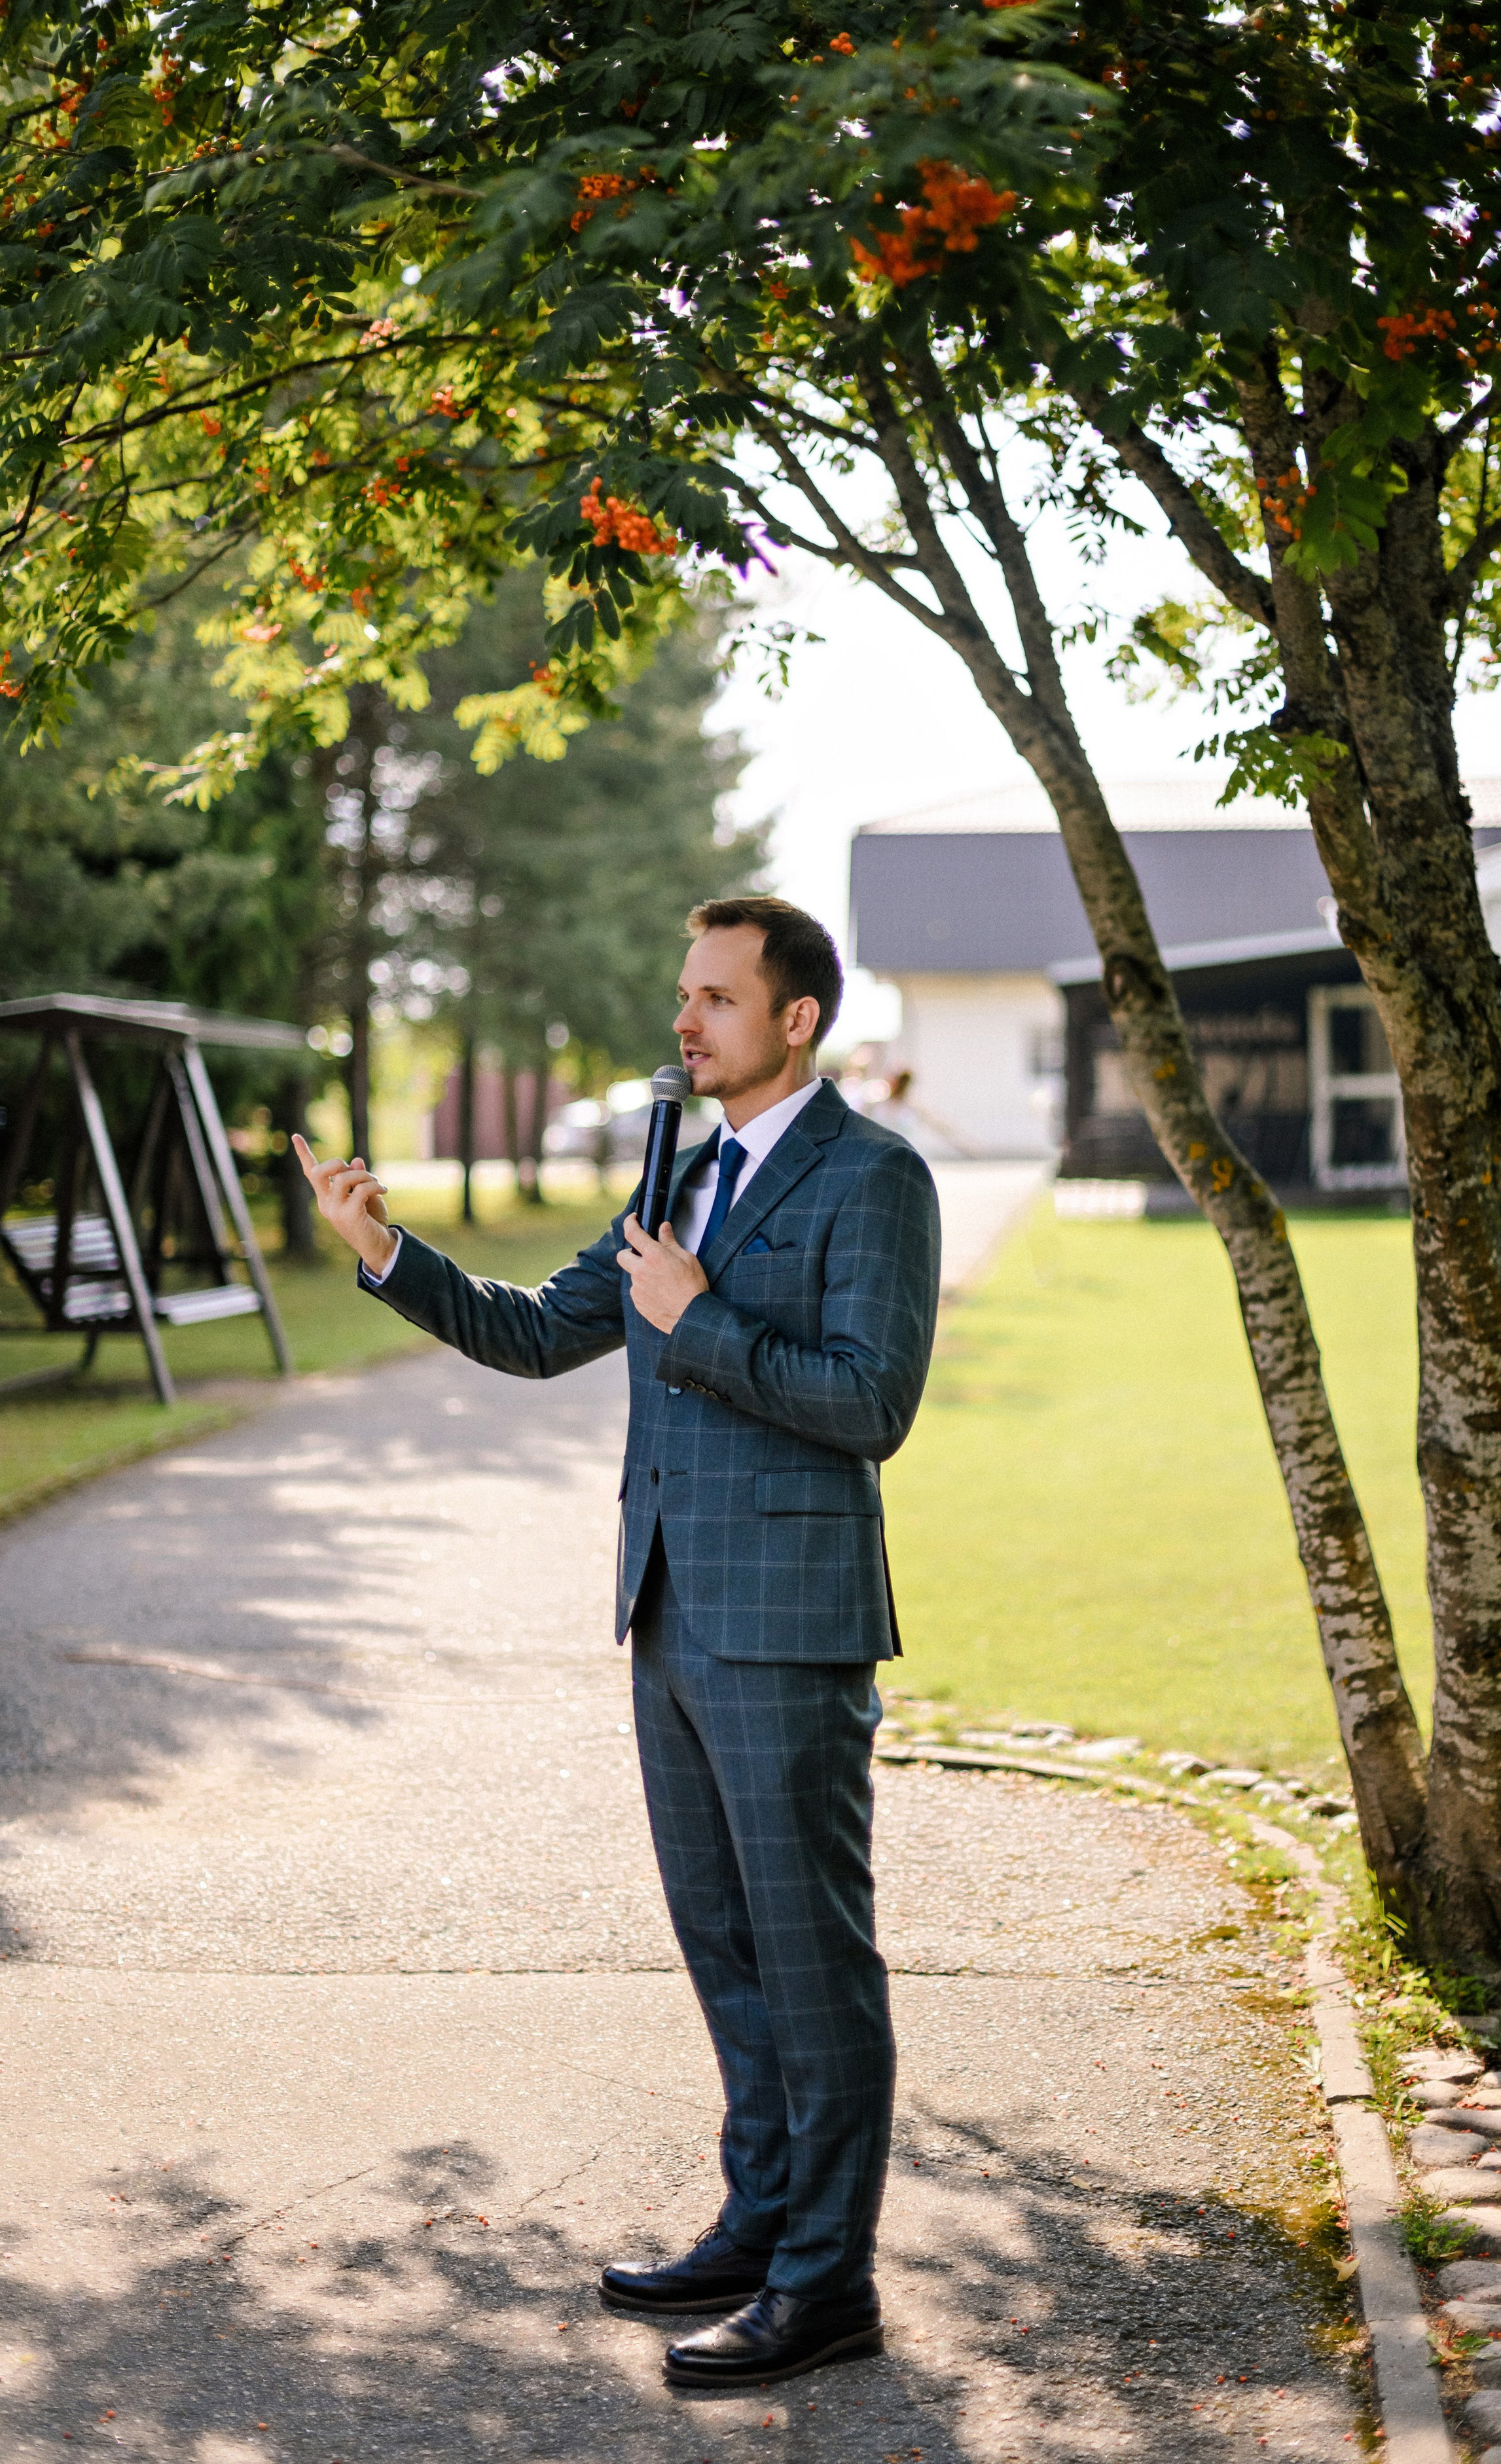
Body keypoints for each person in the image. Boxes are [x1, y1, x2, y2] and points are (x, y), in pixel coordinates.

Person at [293, 896, 941, 2389]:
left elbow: (870, 1406)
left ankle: (825, 2283)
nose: (684, 1020)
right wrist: (387, 1248)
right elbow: (536, 1331)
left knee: (811, 1959)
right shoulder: (681, 1170)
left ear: (795, 1019)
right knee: (724, 1950)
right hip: (666, 1612)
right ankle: (760, 2224)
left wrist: (701, 1321)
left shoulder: (874, 1179)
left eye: (715, 997)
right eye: (682, 993)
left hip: (788, 1627)